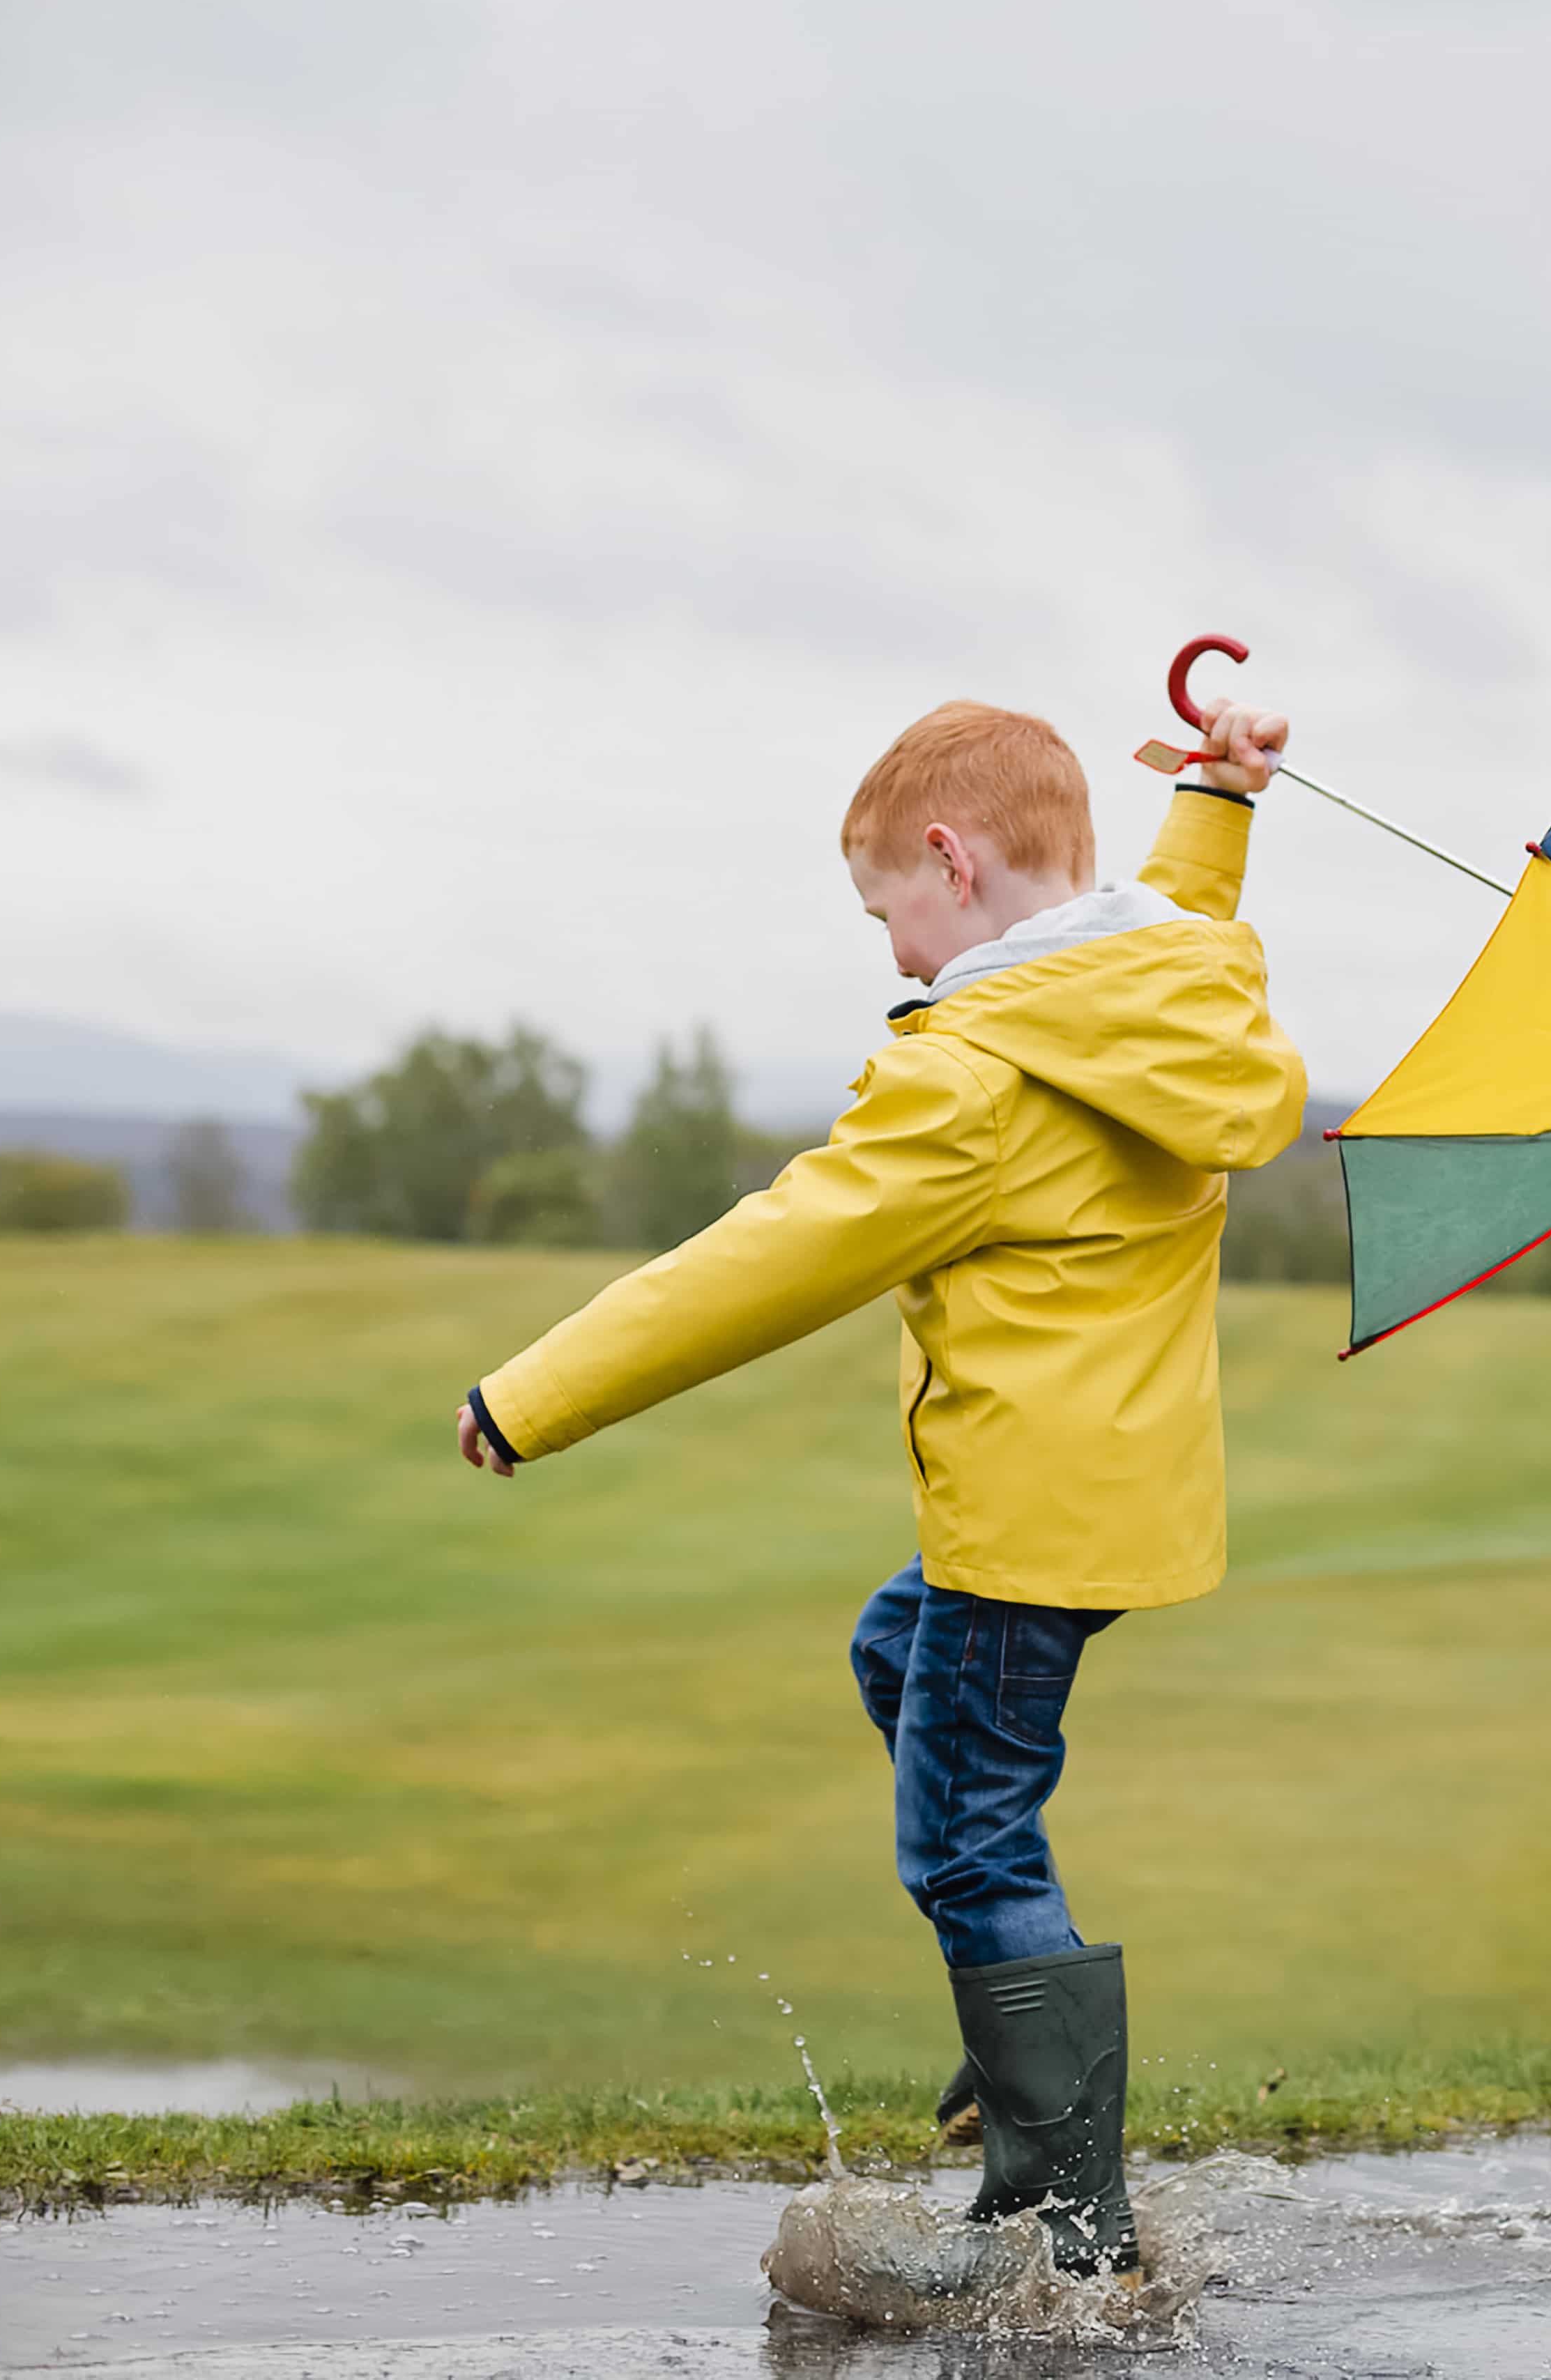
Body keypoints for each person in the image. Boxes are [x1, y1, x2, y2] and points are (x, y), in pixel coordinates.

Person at [451, 696, 1305, 2277]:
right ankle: (1027, 2028)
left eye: (886, 911)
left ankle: (1067, 2226)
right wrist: (1219, 793)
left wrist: (535, 1393)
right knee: (891, 1660)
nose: (897, 954)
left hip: (1021, 1530)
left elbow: (769, 1258)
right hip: (1120, 1500)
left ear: (949, 856)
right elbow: (1184, 908)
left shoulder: (973, 1074)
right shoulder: (1154, 989)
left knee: (969, 1841)